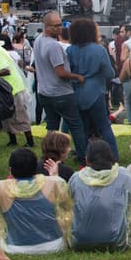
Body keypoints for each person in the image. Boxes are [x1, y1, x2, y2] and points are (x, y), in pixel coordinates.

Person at [0, 147, 73, 254]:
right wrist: (54, 176)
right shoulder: (54, 183)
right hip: (54, 245)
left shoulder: (0, 188)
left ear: (10, 170)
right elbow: (68, 208)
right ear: (36, 167)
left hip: (15, 248)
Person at [68, 139, 131, 250]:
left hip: (79, 242)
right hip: (116, 242)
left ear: (87, 160)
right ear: (111, 157)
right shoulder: (124, 177)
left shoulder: (76, 179)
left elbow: (65, 205)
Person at [33, 11, 87, 164]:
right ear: (46, 26)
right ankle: (83, 158)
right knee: (76, 126)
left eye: (61, 24)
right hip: (60, 93)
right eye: (56, 25)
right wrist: (77, 76)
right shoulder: (54, 46)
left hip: (44, 92)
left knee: (52, 127)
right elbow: (61, 72)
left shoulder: (38, 40)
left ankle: (50, 158)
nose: (60, 28)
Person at [66, 18, 118, 159]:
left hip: (76, 91)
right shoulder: (99, 49)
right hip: (95, 91)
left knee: (80, 128)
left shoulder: (70, 50)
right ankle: (113, 155)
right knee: (104, 126)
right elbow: (110, 73)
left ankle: (83, 156)